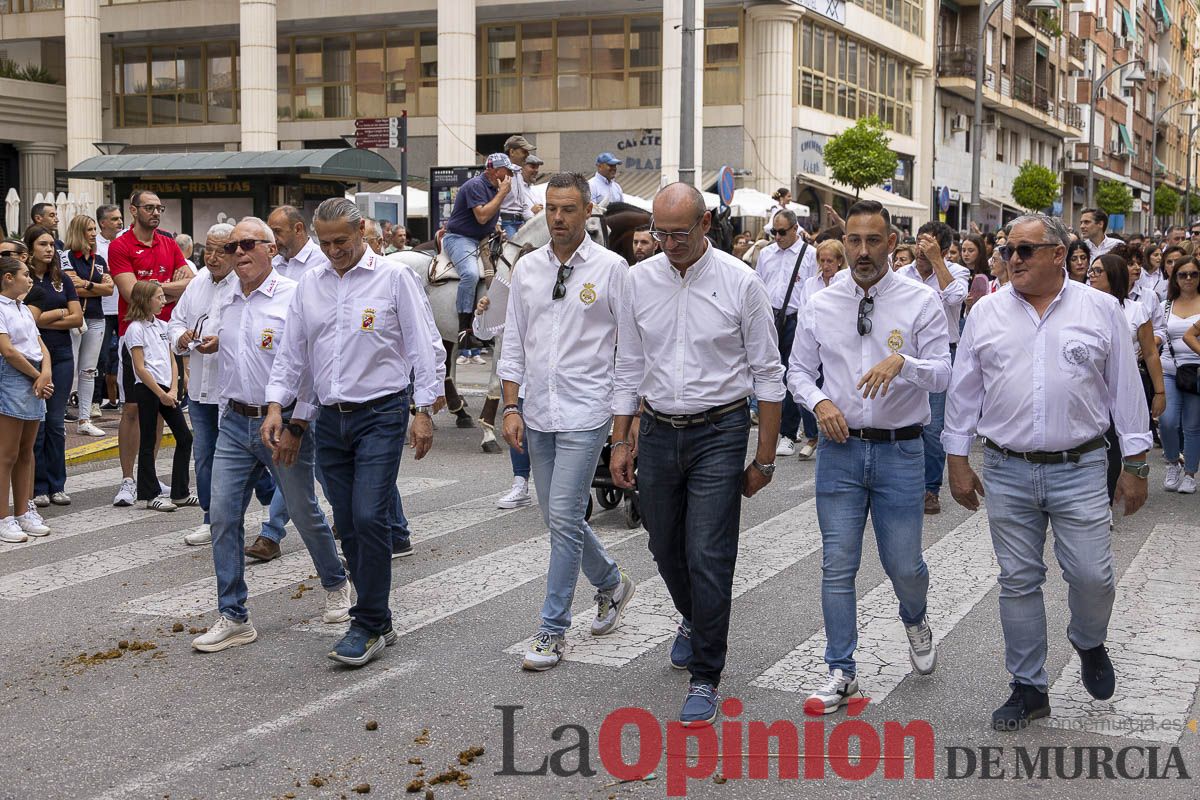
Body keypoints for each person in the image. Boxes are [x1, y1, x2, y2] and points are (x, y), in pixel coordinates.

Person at [944, 214, 1151, 731]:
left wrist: (1137, 462)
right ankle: (1028, 687)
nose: (1012, 259)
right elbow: (964, 391)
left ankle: (1087, 640)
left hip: (1080, 466)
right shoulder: (986, 312)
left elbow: (1125, 387)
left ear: (1059, 254)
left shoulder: (1101, 310)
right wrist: (956, 459)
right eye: (1007, 250)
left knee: (1092, 574)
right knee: (1018, 580)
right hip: (1007, 468)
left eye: (1024, 250)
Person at [610, 182, 785, 726]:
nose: (667, 244)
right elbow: (628, 366)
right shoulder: (637, 282)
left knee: (709, 554)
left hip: (720, 429)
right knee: (664, 546)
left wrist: (765, 458)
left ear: (706, 224)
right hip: (659, 430)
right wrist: (621, 438)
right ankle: (694, 619)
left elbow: (768, 375)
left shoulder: (741, 282)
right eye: (658, 234)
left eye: (678, 233)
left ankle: (706, 674)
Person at [788, 199, 950, 714]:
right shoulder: (822, 302)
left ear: (891, 244)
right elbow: (795, 371)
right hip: (839, 452)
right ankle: (841, 669)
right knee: (838, 563)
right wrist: (820, 402)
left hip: (901, 450)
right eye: (853, 240)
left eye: (872, 241)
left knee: (903, 563)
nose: (861, 251)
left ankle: (915, 616)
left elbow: (944, 373)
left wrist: (903, 362)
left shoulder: (919, 300)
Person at [264, 197, 440, 668]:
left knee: (368, 516)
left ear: (362, 232)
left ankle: (366, 621)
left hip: (381, 413)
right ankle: (377, 620)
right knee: (349, 522)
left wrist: (423, 409)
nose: (333, 250)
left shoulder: (394, 278)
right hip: (329, 418)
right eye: (324, 243)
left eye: (341, 241)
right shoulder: (310, 285)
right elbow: (294, 355)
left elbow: (425, 346)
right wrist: (278, 408)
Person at [190, 218, 353, 653]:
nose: (238, 254)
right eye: (231, 248)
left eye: (247, 245)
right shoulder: (227, 300)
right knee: (223, 517)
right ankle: (234, 615)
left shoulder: (292, 297)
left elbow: (308, 366)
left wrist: (298, 423)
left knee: (303, 511)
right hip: (234, 422)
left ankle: (337, 582)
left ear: (270, 248)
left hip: (282, 425)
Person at [498, 172, 636, 671]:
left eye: (568, 209)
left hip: (586, 410)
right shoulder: (528, 269)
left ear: (588, 211)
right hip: (537, 411)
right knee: (560, 518)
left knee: (562, 517)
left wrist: (624, 429)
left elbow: (630, 354)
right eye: (551, 209)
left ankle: (552, 629)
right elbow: (513, 343)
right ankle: (612, 583)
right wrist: (509, 406)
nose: (557, 218)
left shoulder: (613, 269)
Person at [168, 222, 273, 546]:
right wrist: (180, 338)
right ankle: (210, 518)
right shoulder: (197, 282)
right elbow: (176, 321)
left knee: (250, 457)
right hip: (200, 387)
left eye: (221, 249)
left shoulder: (243, 285)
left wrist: (221, 342)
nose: (213, 257)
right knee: (204, 457)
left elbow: (253, 335)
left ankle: (273, 503)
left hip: (232, 390)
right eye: (207, 250)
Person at [107, 191, 192, 507]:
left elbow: (191, 283)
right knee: (131, 408)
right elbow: (131, 293)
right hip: (134, 335)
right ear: (133, 210)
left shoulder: (169, 243)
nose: (156, 212)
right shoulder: (121, 246)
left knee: (157, 409)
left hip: (164, 333)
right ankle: (128, 479)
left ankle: (149, 476)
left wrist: (155, 288)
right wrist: (169, 285)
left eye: (160, 208)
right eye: (149, 207)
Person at [896, 221, 970, 515]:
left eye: (928, 243)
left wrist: (938, 260)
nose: (920, 249)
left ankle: (930, 488)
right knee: (903, 420)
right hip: (905, 352)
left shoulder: (957, 272)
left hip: (942, 353)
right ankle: (905, 483)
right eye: (918, 242)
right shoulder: (902, 274)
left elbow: (954, 297)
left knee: (933, 426)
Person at [1087, 254, 1167, 502]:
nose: (1092, 275)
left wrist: (1160, 392)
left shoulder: (1136, 310)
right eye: (1091, 270)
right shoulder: (1083, 307)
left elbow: (1151, 353)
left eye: (1098, 271)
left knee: (1112, 444)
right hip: (1090, 386)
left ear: (1114, 275)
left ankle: (1106, 501)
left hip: (1123, 385)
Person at [123, 280, 195, 511]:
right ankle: (148, 493)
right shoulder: (135, 329)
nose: (163, 301)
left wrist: (173, 388)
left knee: (185, 437)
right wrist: (159, 393)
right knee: (148, 439)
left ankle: (180, 492)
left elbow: (172, 359)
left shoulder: (163, 326)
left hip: (166, 388)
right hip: (147, 388)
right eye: (159, 297)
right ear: (145, 300)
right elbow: (140, 367)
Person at [23, 226, 81, 508]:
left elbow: (77, 317)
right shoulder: (24, 279)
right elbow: (24, 321)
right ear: (30, 247)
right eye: (43, 244)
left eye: (51, 245)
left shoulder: (63, 279)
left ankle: (58, 485)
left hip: (62, 355)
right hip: (32, 356)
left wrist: (48, 316)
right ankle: (39, 486)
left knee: (56, 423)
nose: (49, 249)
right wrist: (60, 313)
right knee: (39, 424)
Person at [756, 208, 817, 459]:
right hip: (770, 318)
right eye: (774, 232)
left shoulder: (810, 255)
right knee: (769, 373)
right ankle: (773, 429)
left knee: (792, 375)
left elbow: (814, 288)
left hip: (796, 319)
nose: (777, 237)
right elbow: (758, 285)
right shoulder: (766, 254)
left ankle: (789, 434)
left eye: (782, 232)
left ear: (795, 229)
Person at [0, 257, 53, 542]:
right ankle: (3, 517)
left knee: (26, 450)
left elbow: (40, 345)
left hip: (33, 376)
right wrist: (37, 376)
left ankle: (23, 512)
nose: (30, 279)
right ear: (8, 278)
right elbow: (7, 350)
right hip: (13, 376)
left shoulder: (21, 308)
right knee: (6, 453)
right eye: (24, 274)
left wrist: (45, 373)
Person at [443, 154, 515, 349]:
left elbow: (487, 220)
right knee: (471, 274)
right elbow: (482, 216)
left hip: (482, 239)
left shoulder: (494, 188)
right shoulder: (476, 185)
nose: (510, 176)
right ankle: (464, 330)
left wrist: (496, 227)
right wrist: (502, 194)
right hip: (459, 238)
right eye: (507, 171)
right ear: (495, 170)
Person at [62, 215, 114, 437]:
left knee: (89, 370)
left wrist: (87, 284)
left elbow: (110, 289)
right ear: (78, 232)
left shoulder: (99, 260)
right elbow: (71, 288)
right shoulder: (65, 257)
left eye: (94, 229)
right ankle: (57, 418)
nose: (94, 233)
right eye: (89, 230)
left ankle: (84, 419)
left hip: (96, 317)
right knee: (68, 370)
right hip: (75, 318)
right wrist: (96, 287)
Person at [1159, 257, 1200, 494]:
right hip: (1169, 370)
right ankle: (1173, 462)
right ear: (1175, 278)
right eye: (1183, 274)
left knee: (1192, 425)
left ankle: (1190, 474)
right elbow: (1160, 335)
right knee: (1167, 421)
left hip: (1196, 372)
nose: (1188, 279)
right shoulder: (1166, 305)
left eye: (1193, 274)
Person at [95, 204, 124, 412]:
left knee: (126, 354)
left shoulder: (124, 241)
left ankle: (126, 398)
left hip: (123, 306)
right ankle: (96, 401)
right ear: (103, 223)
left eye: (120, 218)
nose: (119, 222)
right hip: (103, 309)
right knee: (100, 357)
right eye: (114, 219)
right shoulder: (94, 245)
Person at [267, 206, 329, 281]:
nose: (273, 238)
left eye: (277, 231)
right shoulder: (273, 264)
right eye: (270, 232)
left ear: (298, 229)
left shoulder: (324, 261)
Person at [499, 134, 538, 238]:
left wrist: (533, 222)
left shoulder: (518, 173)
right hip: (506, 223)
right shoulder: (501, 173)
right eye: (524, 151)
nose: (527, 155)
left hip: (519, 223)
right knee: (513, 251)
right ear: (511, 152)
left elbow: (523, 204)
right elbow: (494, 201)